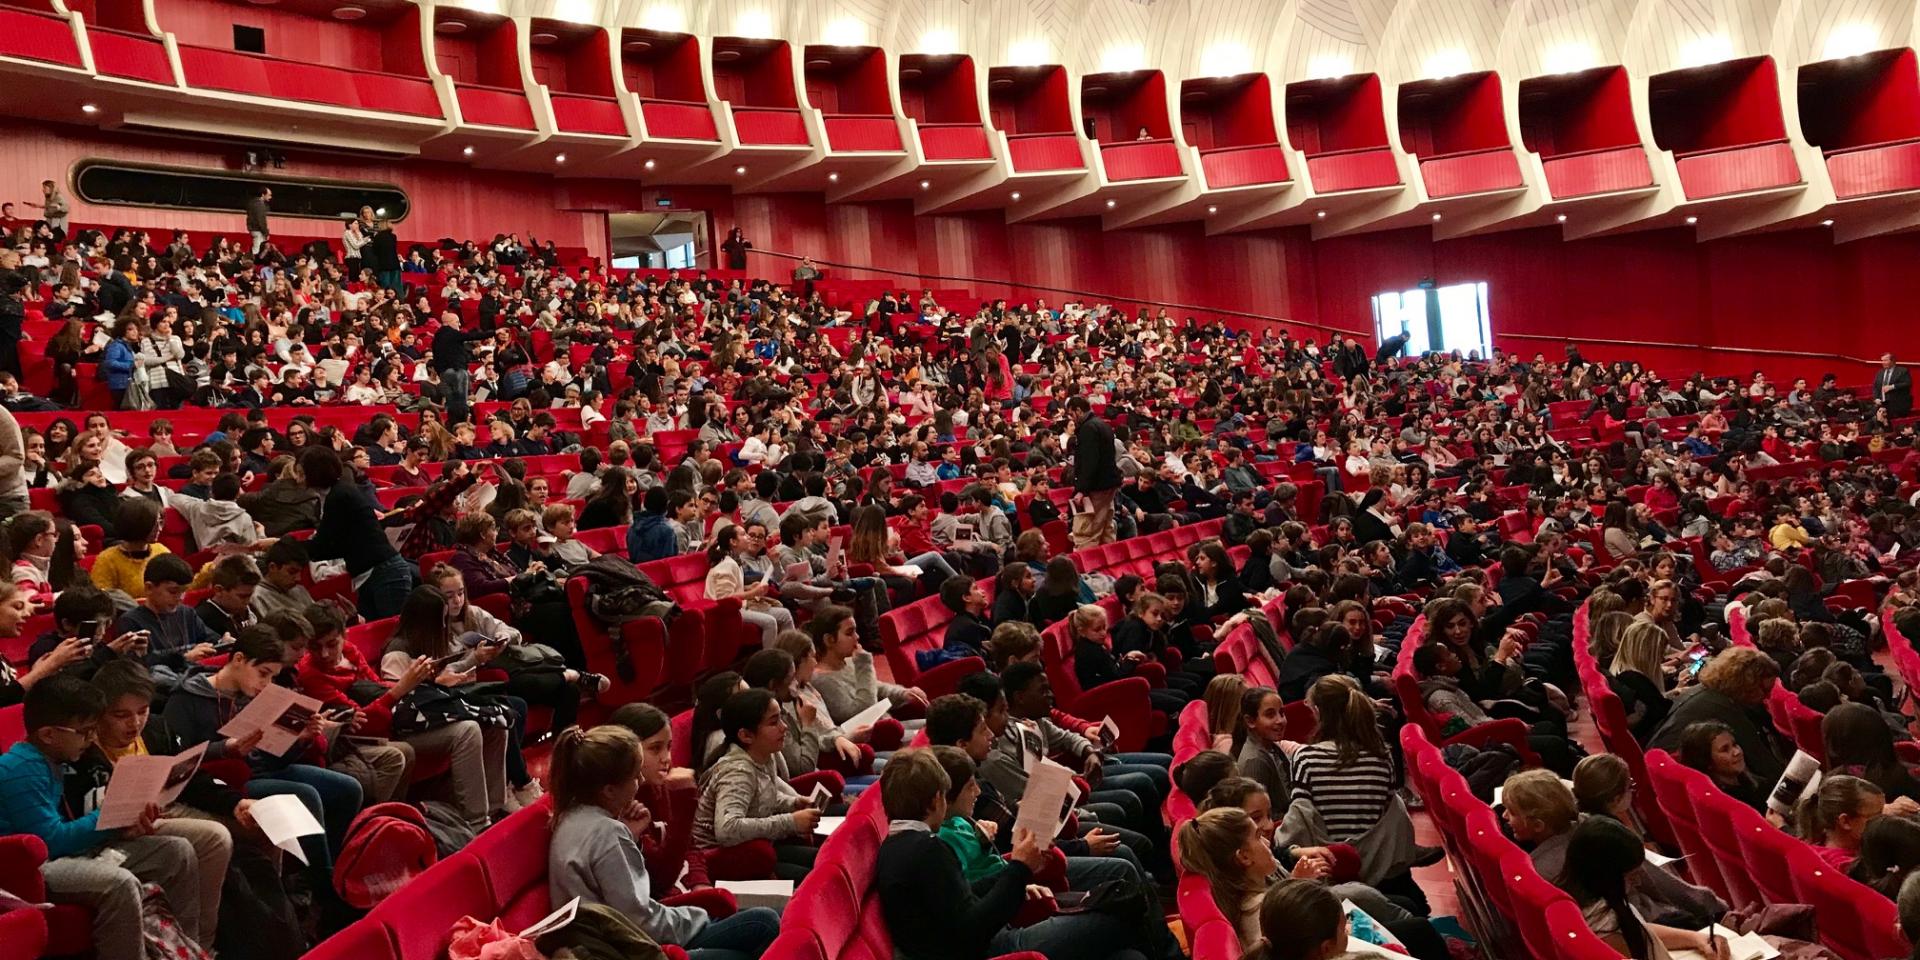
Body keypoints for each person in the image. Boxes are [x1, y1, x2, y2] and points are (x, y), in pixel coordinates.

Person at [0, 674, 209, 959]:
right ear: (48, 734)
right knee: (119, 883)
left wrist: (120, 823)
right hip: (30, 869)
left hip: (64, 852)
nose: (91, 740)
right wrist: (111, 814)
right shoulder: (22, 768)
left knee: (177, 851)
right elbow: (50, 842)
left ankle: (183, 950)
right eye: (84, 732)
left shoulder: (53, 760)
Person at [873, 748, 1154, 960]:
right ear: (937, 799)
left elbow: (959, 897)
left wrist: (1013, 878)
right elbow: (974, 929)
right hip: (999, 947)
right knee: (1119, 917)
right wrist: (1018, 868)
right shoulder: (926, 849)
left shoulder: (895, 846)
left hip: (986, 940)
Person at [547, 724, 782, 960]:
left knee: (761, 920)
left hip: (611, 940)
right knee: (766, 922)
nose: (639, 780)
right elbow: (639, 920)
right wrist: (693, 917)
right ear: (609, 790)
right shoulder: (608, 833)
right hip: (630, 948)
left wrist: (633, 837)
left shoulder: (569, 817)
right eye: (634, 776)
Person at [163, 625, 363, 872]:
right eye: (263, 673)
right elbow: (176, 761)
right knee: (305, 795)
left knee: (348, 788)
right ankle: (321, 884)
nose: (266, 683)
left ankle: (336, 866)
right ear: (238, 659)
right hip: (224, 782)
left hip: (261, 770)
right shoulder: (186, 698)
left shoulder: (251, 694)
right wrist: (224, 748)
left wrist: (299, 738)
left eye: (272, 677)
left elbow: (272, 759)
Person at [691, 688, 822, 881]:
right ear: (746, 735)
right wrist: (790, 822)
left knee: (823, 862)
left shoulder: (762, 756)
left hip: (752, 848)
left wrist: (791, 804)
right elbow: (727, 829)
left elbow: (761, 795)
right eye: (774, 722)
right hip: (724, 860)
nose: (784, 727)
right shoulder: (737, 771)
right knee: (815, 879)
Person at [1561, 816, 1728, 959]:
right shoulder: (1605, 929)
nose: (1638, 882)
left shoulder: (1591, 904)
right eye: (1631, 876)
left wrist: (1695, 938)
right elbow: (1628, 939)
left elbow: (1638, 932)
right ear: (1606, 875)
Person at [1648, 647, 1788, 789]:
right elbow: (1762, 762)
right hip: (1674, 780)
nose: (1768, 697)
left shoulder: (1704, 691)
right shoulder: (1723, 707)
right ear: (1746, 685)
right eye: (1765, 690)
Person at [301, 446, 413, 620]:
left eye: (303, 471)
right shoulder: (338, 493)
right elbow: (337, 545)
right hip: (370, 573)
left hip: (383, 572)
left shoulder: (339, 496)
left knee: (391, 631)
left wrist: (287, 545)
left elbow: (322, 545)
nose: (300, 477)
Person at [1067, 396, 1119, 549]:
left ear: (1078, 410)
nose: (1071, 418)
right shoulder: (1102, 424)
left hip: (1096, 487)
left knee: (1086, 532)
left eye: (1071, 414)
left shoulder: (1088, 428)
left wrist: (1081, 490)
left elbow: (1090, 462)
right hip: (1108, 483)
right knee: (1106, 529)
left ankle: (1088, 569)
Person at [1878, 353, 1913, 417]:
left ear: (1892, 361)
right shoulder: (1880, 372)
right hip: (1883, 404)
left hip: (1898, 405)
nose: (1882, 362)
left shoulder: (1902, 371)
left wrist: (1892, 387)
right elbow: (1876, 386)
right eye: (1882, 361)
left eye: (1885, 360)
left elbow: (1908, 383)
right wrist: (1876, 398)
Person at [245, 186, 271, 254]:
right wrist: (266, 232)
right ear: (263, 194)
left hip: (253, 229)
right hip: (258, 230)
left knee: (257, 247)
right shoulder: (260, 204)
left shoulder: (252, 203)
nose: (270, 197)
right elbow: (261, 220)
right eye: (269, 195)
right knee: (257, 249)